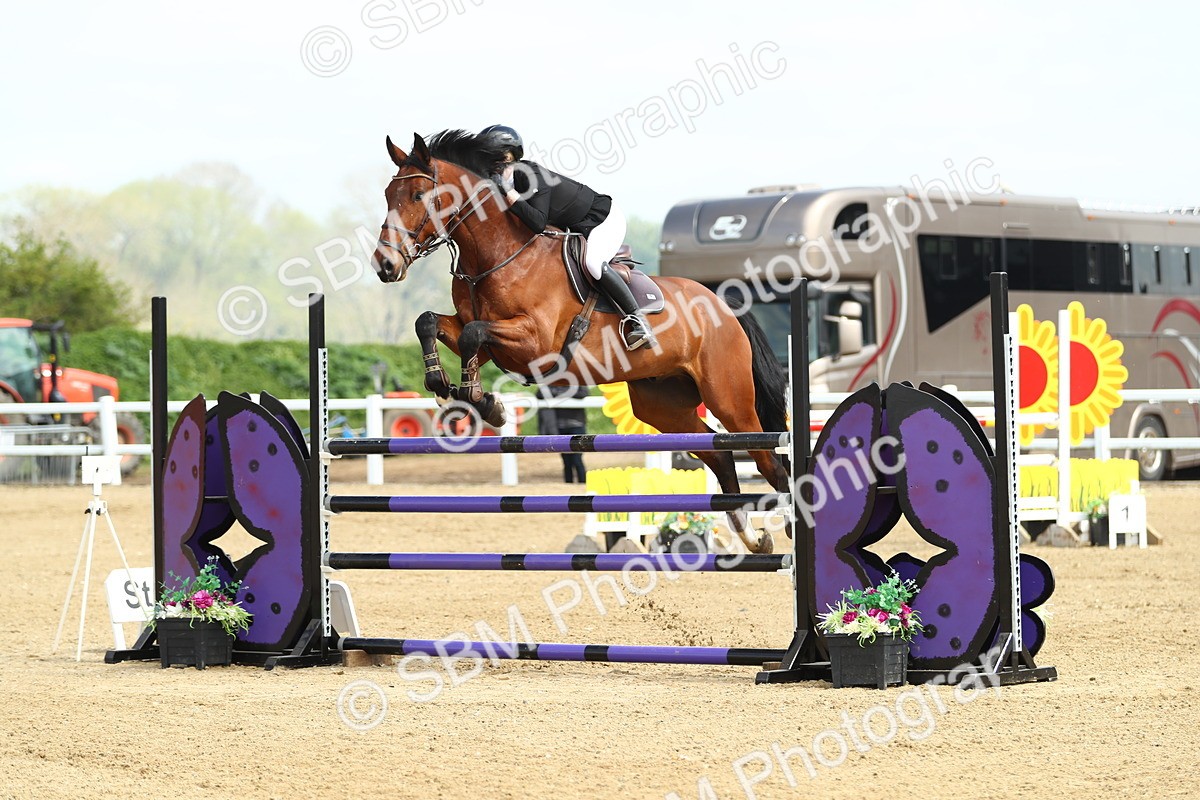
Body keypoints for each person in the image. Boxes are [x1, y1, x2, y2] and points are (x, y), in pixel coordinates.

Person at [478, 124, 656, 351]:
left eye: (491, 160)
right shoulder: (503, 182)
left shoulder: (531, 175)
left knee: (593, 263)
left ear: (508, 157)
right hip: (575, 227)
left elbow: (537, 222)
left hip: (603, 219)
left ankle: (638, 321)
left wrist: (508, 192)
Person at [536, 383, 590, 483]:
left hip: (576, 424)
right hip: (560, 425)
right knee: (566, 459)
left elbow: (583, 393)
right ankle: (569, 483)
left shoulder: (577, 380)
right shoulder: (551, 381)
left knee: (577, 457)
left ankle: (582, 482)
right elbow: (539, 394)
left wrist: (558, 394)